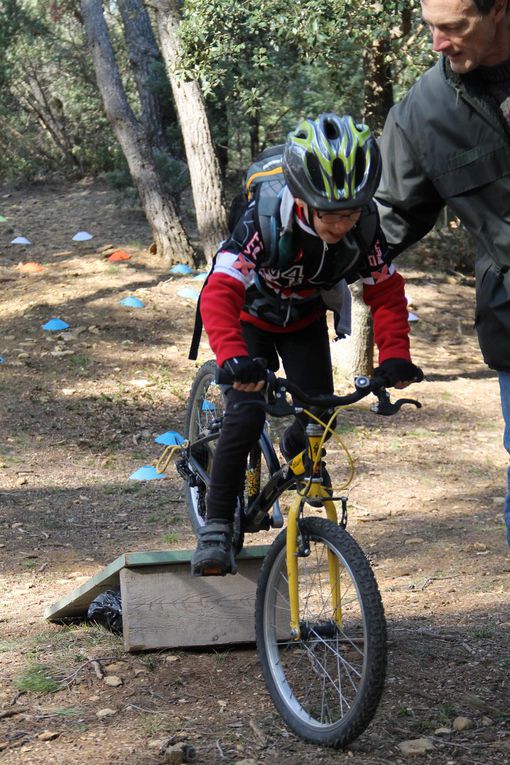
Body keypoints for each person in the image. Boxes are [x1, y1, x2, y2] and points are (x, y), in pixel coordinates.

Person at [192, 113, 423, 576]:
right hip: (247, 317)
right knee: (244, 411)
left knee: (320, 414)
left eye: (351, 213)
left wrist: (395, 354)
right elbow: (220, 289)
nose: (342, 225)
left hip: (303, 319)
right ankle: (216, 526)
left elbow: (385, 289)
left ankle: (293, 444)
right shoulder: (264, 218)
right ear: (302, 199)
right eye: (331, 215)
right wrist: (232, 355)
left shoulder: (364, 227)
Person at [376, 0, 510, 547]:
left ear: (498, 9)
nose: (437, 42)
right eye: (431, 26)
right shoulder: (423, 112)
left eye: (453, 27)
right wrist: (298, 264)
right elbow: (389, 218)